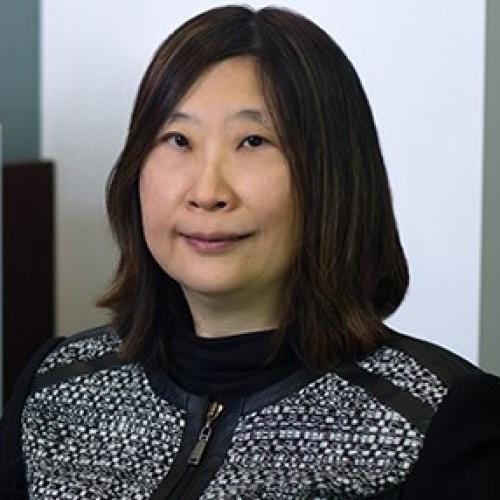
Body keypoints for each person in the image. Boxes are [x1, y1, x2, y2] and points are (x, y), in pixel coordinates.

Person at [1, 5, 499, 499]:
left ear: (333, 177)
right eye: (178, 139)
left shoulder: (437, 421)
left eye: (254, 141)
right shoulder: (54, 387)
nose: (207, 192)